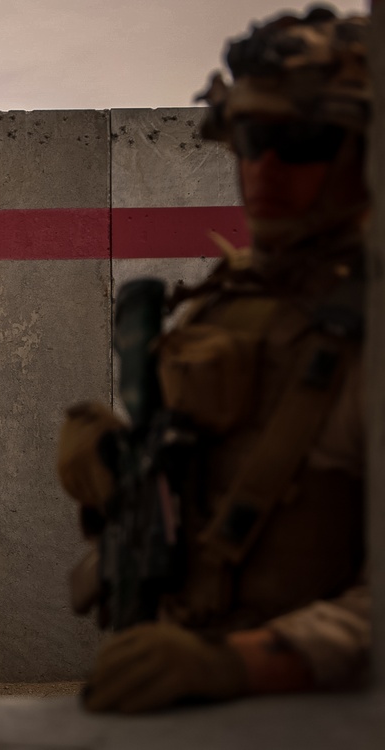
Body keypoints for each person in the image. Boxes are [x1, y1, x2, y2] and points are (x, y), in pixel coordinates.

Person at [58, 6, 370, 712]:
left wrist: (242, 665)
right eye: (251, 139)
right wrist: (118, 471)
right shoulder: (226, 298)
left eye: (303, 144)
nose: (264, 169)